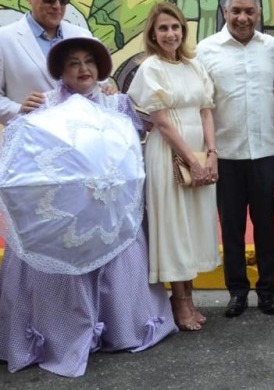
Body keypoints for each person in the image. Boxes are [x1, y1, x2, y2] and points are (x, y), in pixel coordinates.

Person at [0, 37, 177, 377]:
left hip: (111, 210)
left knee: (121, 255)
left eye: (89, 63)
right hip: (59, 216)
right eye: (74, 64)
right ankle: (57, 333)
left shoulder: (117, 104)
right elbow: (25, 152)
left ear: (99, 69)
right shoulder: (44, 104)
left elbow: (131, 149)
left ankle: (118, 326)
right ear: (61, 71)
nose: (83, 70)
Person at [128, 2, 220, 332]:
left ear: (184, 30)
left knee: (193, 226)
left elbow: (206, 110)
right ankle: (179, 302)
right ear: (153, 33)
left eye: (176, 27)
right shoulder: (150, 68)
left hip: (199, 152)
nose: (171, 34)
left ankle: (190, 297)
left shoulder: (194, 66)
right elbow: (163, 123)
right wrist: (191, 160)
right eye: (163, 28)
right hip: (169, 155)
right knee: (173, 227)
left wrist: (211, 153)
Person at [196, 0, 274, 318]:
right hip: (226, 154)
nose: (243, 17)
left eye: (249, 11)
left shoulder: (272, 48)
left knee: (265, 226)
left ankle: (267, 290)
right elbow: (200, 103)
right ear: (224, 12)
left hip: (265, 152)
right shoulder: (206, 50)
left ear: (258, 13)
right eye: (236, 11)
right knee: (232, 228)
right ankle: (237, 291)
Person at [0, 0, 93, 125]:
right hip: (31, 139)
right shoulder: (4, 39)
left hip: (81, 136)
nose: (57, 6)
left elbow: (99, 86)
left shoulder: (82, 36)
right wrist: (18, 109)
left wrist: (107, 91)